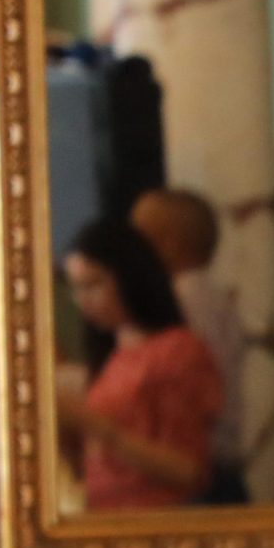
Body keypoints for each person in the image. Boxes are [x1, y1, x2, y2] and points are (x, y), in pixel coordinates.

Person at [55, 215, 224, 512]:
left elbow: (188, 469)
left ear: (129, 277)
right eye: (76, 288)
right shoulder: (115, 356)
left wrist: (94, 425)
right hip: (105, 512)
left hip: (158, 514)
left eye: (93, 284)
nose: (83, 301)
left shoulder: (178, 350)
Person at [129, 187, 249, 503]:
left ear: (169, 244)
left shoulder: (185, 302)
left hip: (198, 474)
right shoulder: (209, 296)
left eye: (138, 239)